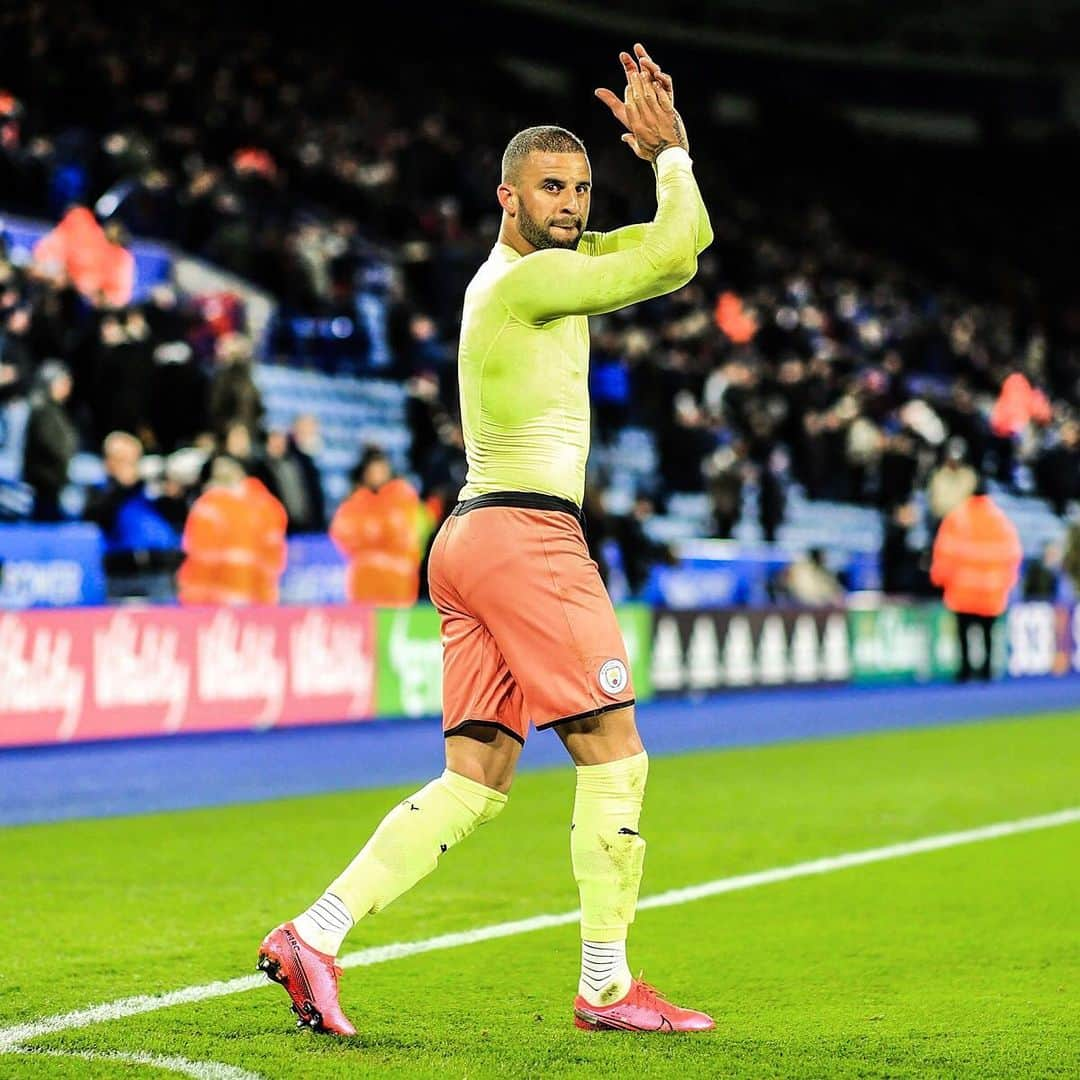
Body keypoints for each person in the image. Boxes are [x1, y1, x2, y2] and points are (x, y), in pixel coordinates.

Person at [258, 44, 715, 1036]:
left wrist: (659, 169)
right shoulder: (522, 284)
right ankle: (604, 987)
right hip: (525, 534)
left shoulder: (551, 271)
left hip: (470, 535)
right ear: (505, 195)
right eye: (553, 185)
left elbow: (680, 245)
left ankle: (316, 933)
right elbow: (677, 253)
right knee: (614, 757)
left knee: (474, 781)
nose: (574, 201)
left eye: (585, 185)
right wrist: (670, 157)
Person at [930, 478, 1022, 682]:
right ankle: (987, 670)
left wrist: (939, 579)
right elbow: (1013, 555)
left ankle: (965, 671)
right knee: (987, 633)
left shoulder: (957, 518)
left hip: (963, 590)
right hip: (991, 591)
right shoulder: (1000, 520)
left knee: (964, 634)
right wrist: (1006, 582)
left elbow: (944, 552)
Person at [177, 455, 287, 605]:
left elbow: (273, 551)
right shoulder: (207, 504)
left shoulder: (264, 506)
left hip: (239, 597)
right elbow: (197, 552)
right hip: (226, 598)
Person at [328, 445, 422, 606]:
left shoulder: (403, 496)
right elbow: (340, 532)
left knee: (395, 626)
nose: (377, 476)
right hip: (366, 582)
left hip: (398, 581)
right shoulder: (356, 501)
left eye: (381, 470)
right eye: (373, 471)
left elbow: (408, 533)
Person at [22, 360, 78, 522]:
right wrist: (64, 453)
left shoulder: (53, 409)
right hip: (45, 476)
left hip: (52, 476)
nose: (68, 387)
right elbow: (49, 442)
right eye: (64, 382)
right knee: (45, 518)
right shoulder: (43, 409)